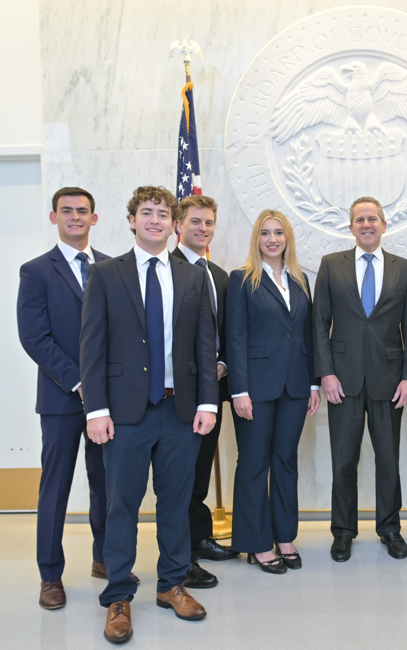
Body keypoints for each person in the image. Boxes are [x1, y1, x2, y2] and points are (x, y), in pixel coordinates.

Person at [80, 186, 218, 643]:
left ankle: (172, 584)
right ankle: (118, 595)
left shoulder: (192, 276)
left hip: (179, 411)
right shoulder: (104, 274)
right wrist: (96, 409)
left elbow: (203, 344)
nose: (155, 220)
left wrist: (206, 402)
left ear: (173, 223)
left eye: (163, 213)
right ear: (133, 220)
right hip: (124, 414)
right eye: (147, 212)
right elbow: (92, 348)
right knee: (122, 505)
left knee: (176, 504)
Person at [17, 187, 132, 610]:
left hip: (110, 401)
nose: (75, 217)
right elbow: (35, 338)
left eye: (82, 211)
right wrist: (80, 381)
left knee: (106, 485)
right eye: (66, 211)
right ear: (54, 218)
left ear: (95, 219)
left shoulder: (111, 268)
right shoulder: (36, 271)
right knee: (56, 488)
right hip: (62, 399)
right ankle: (50, 574)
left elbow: (119, 333)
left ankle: (103, 558)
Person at [313, 196, 407, 562]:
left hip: (390, 380)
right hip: (342, 381)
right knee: (344, 460)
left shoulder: (404, 269)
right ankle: (343, 532)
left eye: (372, 218)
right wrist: (325, 372)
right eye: (359, 219)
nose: (366, 224)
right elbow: (319, 325)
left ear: (384, 225)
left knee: (388, 459)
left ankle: (390, 528)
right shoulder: (331, 266)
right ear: (351, 227)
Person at [227, 209, 321, 573]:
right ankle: (256, 543)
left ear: (287, 239)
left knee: (285, 461)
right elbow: (234, 338)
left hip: (295, 385)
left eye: (278, 233)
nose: (272, 239)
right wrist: (239, 391)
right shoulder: (242, 279)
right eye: (265, 233)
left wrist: (313, 382)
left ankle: (284, 536)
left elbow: (306, 335)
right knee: (253, 463)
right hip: (256, 386)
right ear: (257, 240)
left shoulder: (299, 279)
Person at [172, 195, 239, 588]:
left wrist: (223, 364)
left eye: (209, 223)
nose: (202, 228)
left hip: (213, 389)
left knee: (199, 470)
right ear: (178, 224)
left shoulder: (219, 274)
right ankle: (180, 555)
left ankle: (198, 539)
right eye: (195, 221)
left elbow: (228, 331)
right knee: (178, 474)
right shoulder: (168, 268)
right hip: (179, 391)